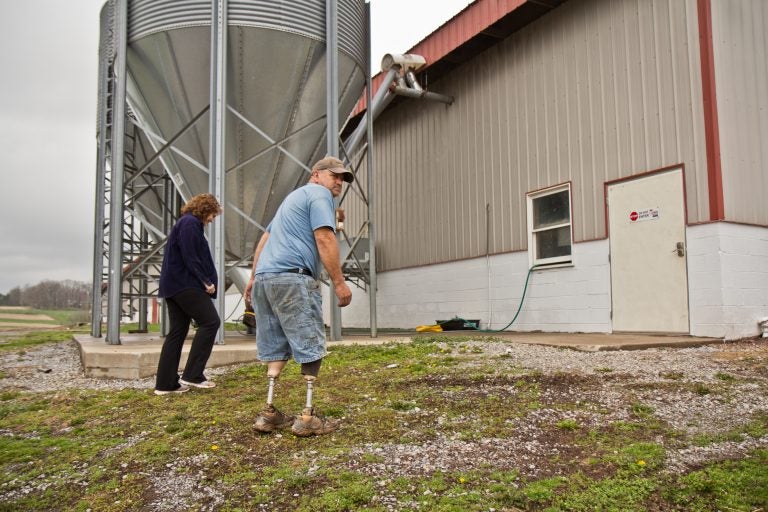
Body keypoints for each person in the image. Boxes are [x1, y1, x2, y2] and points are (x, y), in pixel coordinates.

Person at [244, 156, 353, 436]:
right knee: (309, 340)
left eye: (342, 178)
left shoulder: (292, 199)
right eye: (334, 175)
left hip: (267, 280)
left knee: (274, 342)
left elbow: (264, 240)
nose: (339, 182)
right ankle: (307, 416)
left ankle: (269, 413)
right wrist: (339, 283)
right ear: (316, 175)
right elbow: (325, 238)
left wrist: (253, 278)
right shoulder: (319, 194)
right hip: (294, 277)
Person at [154, 193, 222, 395]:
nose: (211, 220)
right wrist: (206, 281)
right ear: (205, 209)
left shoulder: (185, 223)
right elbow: (190, 255)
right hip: (185, 284)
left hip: (172, 285)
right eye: (212, 215)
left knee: (177, 332)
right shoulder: (191, 224)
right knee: (211, 322)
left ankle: (166, 384)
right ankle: (193, 374)